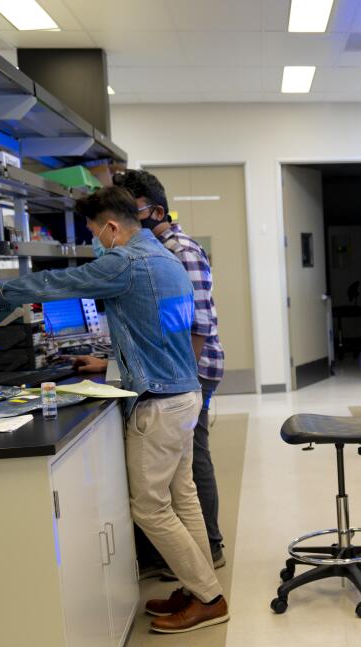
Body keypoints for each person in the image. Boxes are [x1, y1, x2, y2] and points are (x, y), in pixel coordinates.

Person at [0, 186, 230, 635]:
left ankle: (209, 599)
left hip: (159, 403)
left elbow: (53, 283)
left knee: (151, 508)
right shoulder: (165, 257)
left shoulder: (125, 261)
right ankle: (199, 587)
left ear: (112, 227)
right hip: (183, 392)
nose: (97, 242)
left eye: (96, 233)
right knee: (182, 496)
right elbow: (160, 330)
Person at [107, 168, 227, 572]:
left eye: (131, 213)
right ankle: (188, 553)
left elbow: (198, 327)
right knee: (182, 467)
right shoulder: (147, 252)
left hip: (193, 369)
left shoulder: (180, 252)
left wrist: (179, 383)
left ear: (155, 211)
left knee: (193, 462)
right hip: (174, 371)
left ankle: (207, 548)